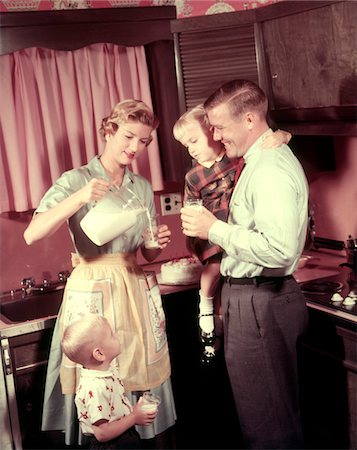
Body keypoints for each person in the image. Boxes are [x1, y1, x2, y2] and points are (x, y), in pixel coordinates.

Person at [23, 99, 176, 448]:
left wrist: (157, 245)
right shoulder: (76, 180)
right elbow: (32, 234)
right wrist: (80, 196)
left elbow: (145, 250)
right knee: (95, 377)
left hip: (132, 286)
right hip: (92, 288)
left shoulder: (139, 186)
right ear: (108, 130)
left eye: (144, 142)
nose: (135, 147)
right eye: (128, 136)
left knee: (136, 369)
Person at [180, 80, 309, 449]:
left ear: (250, 119)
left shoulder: (269, 169)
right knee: (266, 417)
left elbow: (280, 250)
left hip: (261, 301)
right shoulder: (257, 159)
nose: (216, 137)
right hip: (253, 300)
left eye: (220, 127)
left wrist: (214, 229)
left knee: (269, 426)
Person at [173, 104, 291, 364]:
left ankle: (217, 328)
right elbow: (189, 208)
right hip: (211, 232)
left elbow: (264, 144)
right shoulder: (193, 177)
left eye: (194, 140)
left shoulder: (235, 156)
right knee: (214, 271)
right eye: (186, 145)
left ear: (212, 131)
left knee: (228, 276)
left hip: (235, 229)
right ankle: (205, 309)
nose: (191, 149)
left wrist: (284, 136)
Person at [61, 313, 157, 449]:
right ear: (99, 354)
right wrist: (134, 417)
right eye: (111, 334)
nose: (116, 335)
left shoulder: (105, 371)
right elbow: (102, 434)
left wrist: (132, 412)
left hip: (123, 437)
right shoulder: (95, 387)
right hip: (112, 445)